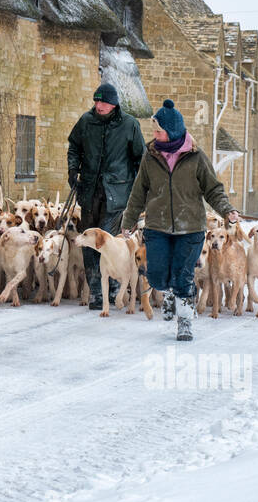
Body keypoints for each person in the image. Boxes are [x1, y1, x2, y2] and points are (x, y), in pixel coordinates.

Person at [120, 99, 238, 342]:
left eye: (158, 130)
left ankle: (185, 321)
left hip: (191, 227)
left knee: (184, 275)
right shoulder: (150, 157)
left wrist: (227, 210)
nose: (154, 135)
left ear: (172, 131)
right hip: (158, 226)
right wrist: (128, 220)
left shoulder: (195, 157)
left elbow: (213, 189)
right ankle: (170, 293)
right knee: (157, 275)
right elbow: (139, 191)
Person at [66, 82, 145, 310]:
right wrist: (73, 170)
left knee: (110, 244)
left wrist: (139, 191)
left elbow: (141, 159)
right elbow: (74, 146)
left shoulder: (130, 124)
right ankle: (95, 292)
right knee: (89, 243)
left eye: (103, 102)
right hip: (89, 192)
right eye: (96, 101)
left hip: (117, 194)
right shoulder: (86, 121)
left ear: (114, 104)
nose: (98, 105)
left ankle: (112, 289)